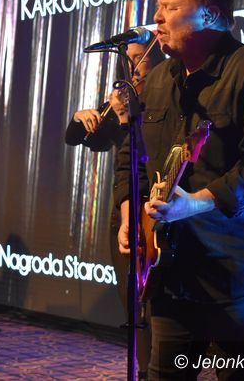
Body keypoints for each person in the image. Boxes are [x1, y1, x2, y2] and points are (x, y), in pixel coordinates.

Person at [114, 0, 244, 379]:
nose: (156, 18)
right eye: (158, 7)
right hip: (172, 266)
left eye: (170, 7)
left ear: (209, 13)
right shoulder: (159, 80)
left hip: (236, 267)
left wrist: (194, 204)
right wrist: (129, 215)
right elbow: (131, 155)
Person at [65, 35, 165, 379]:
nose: (133, 66)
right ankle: (143, 370)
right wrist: (80, 118)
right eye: (128, 59)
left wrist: (125, 120)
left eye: (139, 57)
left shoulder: (161, 97)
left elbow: (141, 153)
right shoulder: (122, 97)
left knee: (157, 304)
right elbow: (76, 138)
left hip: (156, 206)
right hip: (124, 209)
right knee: (133, 301)